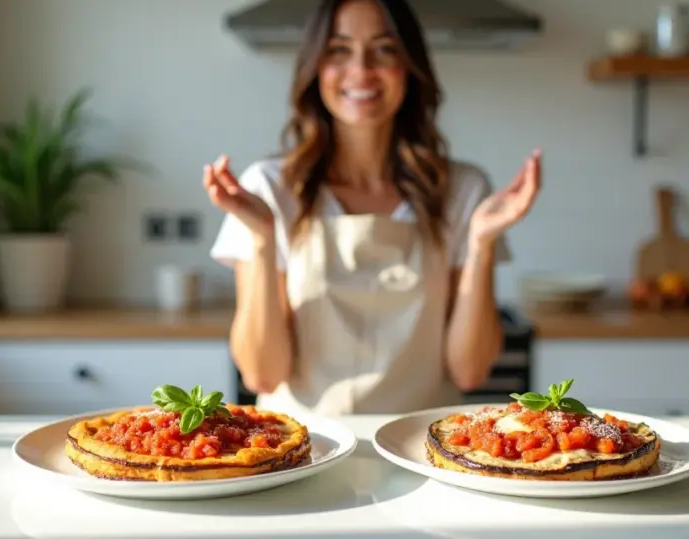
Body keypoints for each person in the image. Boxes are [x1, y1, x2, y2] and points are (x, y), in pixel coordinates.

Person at [205, 0, 541, 417]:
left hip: (423, 447)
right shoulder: (270, 188)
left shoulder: (461, 190)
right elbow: (262, 375)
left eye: (384, 49)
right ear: (315, 67)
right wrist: (261, 240)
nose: (361, 70)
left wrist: (482, 243)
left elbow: (469, 371)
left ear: (410, 65)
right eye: (339, 49)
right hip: (301, 448)